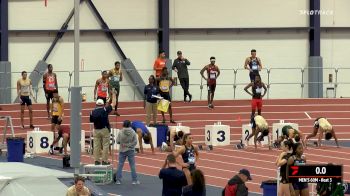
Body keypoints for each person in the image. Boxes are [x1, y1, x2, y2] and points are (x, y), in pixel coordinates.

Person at [115, 120, 139, 185]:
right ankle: (134, 180)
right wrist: (129, 145)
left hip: (122, 150)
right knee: (132, 165)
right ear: (130, 125)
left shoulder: (120, 132)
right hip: (130, 150)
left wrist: (123, 144)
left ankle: (118, 180)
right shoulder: (133, 132)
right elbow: (135, 142)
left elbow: (117, 141)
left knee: (120, 165)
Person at [89, 99, 113, 165]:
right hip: (105, 129)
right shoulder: (105, 109)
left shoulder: (92, 112)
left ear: (96, 105)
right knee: (105, 145)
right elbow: (113, 103)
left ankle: (96, 160)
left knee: (96, 146)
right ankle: (104, 161)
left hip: (96, 129)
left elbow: (91, 120)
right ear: (103, 105)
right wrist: (114, 94)